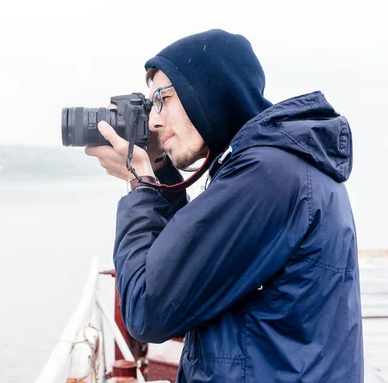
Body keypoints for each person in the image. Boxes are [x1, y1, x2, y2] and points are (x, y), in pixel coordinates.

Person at [85, 29, 363, 382]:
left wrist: (141, 181)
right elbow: (185, 286)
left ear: (206, 92)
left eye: (161, 99)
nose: (154, 121)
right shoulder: (284, 166)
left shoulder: (265, 176)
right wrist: (159, 167)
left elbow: (147, 310)